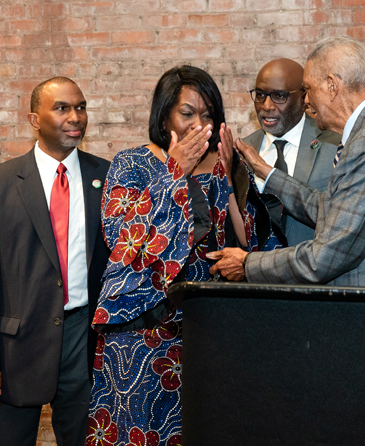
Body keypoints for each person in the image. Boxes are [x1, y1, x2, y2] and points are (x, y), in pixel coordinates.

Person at [86, 66, 284, 445]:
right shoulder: (132, 164)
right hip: (144, 328)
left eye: (208, 114)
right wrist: (175, 171)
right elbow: (123, 242)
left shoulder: (224, 162)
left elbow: (248, 242)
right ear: (165, 116)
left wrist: (229, 178)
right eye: (188, 113)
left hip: (209, 324)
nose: (200, 123)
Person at [209, 36, 365, 289]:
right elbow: (329, 209)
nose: (306, 101)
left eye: (308, 89)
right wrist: (268, 173)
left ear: (331, 86)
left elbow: (326, 257)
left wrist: (248, 264)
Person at [0, 77, 110, 446]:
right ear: (33, 119)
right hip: (15, 348)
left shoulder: (107, 178)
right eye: (62, 108)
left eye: (81, 107)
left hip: (85, 340)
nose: (75, 117)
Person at [238, 58, 340, 246]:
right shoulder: (242, 151)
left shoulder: (334, 143)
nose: (266, 106)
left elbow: (339, 217)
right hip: (253, 271)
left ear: (304, 98)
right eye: (260, 95)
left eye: (279, 96)